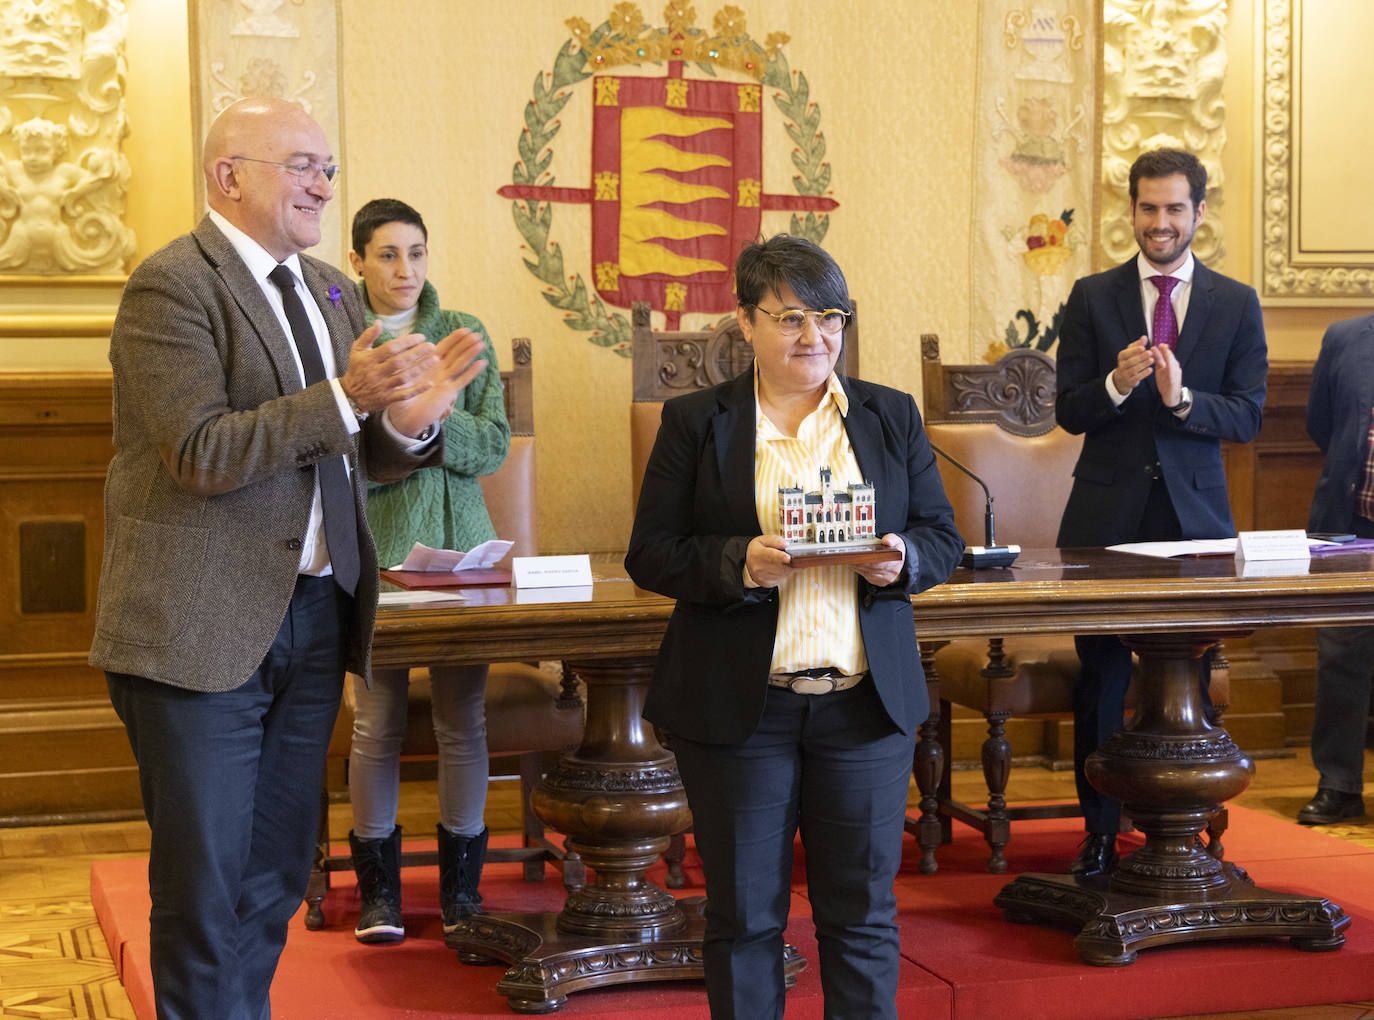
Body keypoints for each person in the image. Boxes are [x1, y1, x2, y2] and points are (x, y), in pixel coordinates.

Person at [90, 98, 486, 1019]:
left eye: (328, 167)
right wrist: (351, 394)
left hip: (314, 618)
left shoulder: (330, 290)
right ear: (229, 177)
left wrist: (408, 427)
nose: (323, 184)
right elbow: (199, 452)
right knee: (205, 885)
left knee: (272, 875)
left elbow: (347, 450)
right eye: (302, 164)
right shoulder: (171, 287)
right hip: (200, 630)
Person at [625, 235, 964, 1019]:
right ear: (745, 321)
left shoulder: (890, 415)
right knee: (744, 920)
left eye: (831, 317)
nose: (815, 338)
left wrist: (903, 560)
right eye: (791, 318)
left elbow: (943, 537)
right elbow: (652, 554)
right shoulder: (694, 422)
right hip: (743, 708)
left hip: (863, 704)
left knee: (862, 916)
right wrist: (739, 563)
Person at [1054, 148, 1268, 876]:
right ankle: (1101, 836)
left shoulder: (1235, 303)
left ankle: (1190, 835)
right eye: (1148, 208)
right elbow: (1067, 409)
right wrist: (1115, 384)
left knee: (1189, 682)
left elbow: (1247, 417)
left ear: (1198, 213)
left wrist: (1182, 401)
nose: (1160, 222)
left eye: (1175, 208)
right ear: (1133, 212)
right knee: (1104, 679)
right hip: (1104, 523)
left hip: (1195, 522)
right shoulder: (1092, 296)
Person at [344, 198, 511, 943]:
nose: (404, 269)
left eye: (416, 252)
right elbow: (343, 459)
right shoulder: (345, 341)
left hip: (464, 560)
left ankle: (461, 896)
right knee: (377, 725)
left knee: (461, 723)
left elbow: (495, 447)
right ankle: (379, 896)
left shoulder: (462, 336)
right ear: (357, 262)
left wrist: (435, 421)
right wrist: (395, 425)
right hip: (378, 560)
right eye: (387, 254)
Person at [1298, 313, 1374, 826]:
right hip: (1352, 522)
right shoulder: (1346, 337)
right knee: (1342, 655)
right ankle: (1340, 785)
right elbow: (1320, 423)